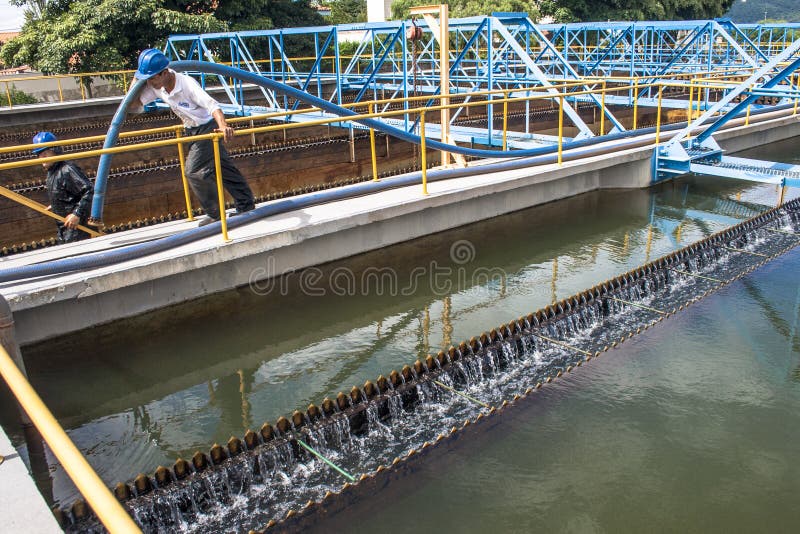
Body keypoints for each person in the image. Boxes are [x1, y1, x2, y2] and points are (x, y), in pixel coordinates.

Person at [133, 48, 255, 225]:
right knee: (223, 166)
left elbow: (212, 105)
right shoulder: (158, 87)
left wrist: (223, 126)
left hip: (208, 129)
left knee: (193, 172)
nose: (150, 83)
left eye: (152, 78)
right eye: (148, 79)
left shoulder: (187, 85)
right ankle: (246, 203)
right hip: (191, 130)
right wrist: (137, 79)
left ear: (165, 73)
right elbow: (133, 106)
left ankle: (215, 214)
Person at [32, 131, 94, 244]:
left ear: (55, 152)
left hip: (75, 227)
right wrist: (57, 203)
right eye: (39, 155)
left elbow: (88, 190)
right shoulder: (52, 172)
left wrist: (77, 214)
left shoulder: (67, 169)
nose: (42, 158)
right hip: (63, 227)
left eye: (45, 154)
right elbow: (66, 192)